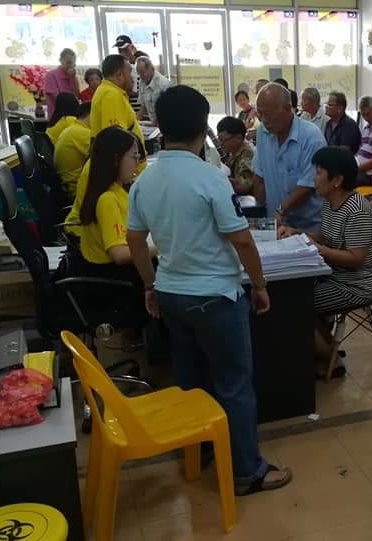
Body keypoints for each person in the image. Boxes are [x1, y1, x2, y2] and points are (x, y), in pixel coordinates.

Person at [126, 85, 292, 495]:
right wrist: (260, 285)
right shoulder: (211, 178)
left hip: (171, 294)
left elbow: (135, 240)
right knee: (233, 384)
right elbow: (242, 240)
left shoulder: (144, 180)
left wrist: (149, 285)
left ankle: (198, 452)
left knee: (190, 380)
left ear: (160, 125)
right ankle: (247, 471)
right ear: (204, 128)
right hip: (215, 297)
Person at [279, 147, 372, 375]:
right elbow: (327, 237)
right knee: (290, 293)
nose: (313, 179)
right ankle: (327, 350)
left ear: (337, 180)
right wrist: (297, 233)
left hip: (356, 284)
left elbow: (356, 258)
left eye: (318, 173)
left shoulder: (357, 210)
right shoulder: (330, 203)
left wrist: (319, 249)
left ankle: (332, 360)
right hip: (333, 275)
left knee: (294, 304)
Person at [65, 54, 147, 234]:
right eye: (130, 72)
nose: (133, 77)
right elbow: (116, 142)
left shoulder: (110, 92)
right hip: (113, 177)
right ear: (119, 75)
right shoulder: (111, 95)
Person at [253, 83, 326, 230]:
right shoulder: (262, 132)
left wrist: (281, 210)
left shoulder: (311, 136)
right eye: (260, 114)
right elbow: (259, 176)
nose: (264, 120)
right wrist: (259, 212)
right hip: (276, 222)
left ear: (287, 109)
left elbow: (308, 185)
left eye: (269, 114)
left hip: (308, 226)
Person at [77, 126, 145, 279]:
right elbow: (119, 255)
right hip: (113, 280)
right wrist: (161, 247)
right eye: (134, 157)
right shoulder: (107, 200)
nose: (137, 163)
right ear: (116, 160)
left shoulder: (117, 191)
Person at [54, 102, 91, 199]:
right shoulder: (82, 133)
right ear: (91, 115)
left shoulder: (72, 129)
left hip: (67, 184)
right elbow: (106, 154)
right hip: (75, 188)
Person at [216, 116, 255, 195]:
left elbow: (243, 186)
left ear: (239, 138)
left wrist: (218, 179)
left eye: (223, 140)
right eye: (219, 139)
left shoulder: (247, 154)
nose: (220, 144)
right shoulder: (233, 153)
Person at [135, 57, 173, 125]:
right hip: (153, 123)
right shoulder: (141, 82)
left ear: (151, 68)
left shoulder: (164, 84)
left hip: (166, 123)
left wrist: (155, 123)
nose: (141, 76)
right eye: (138, 73)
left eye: (142, 72)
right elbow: (144, 106)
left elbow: (167, 109)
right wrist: (135, 121)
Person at [43, 48, 80, 116]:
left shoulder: (73, 77)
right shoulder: (51, 75)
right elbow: (56, 99)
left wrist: (72, 79)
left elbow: (77, 97)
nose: (71, 66)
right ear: (60, 61)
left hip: (72, 116)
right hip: (57, 117)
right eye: (68, 63)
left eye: (74, 63)